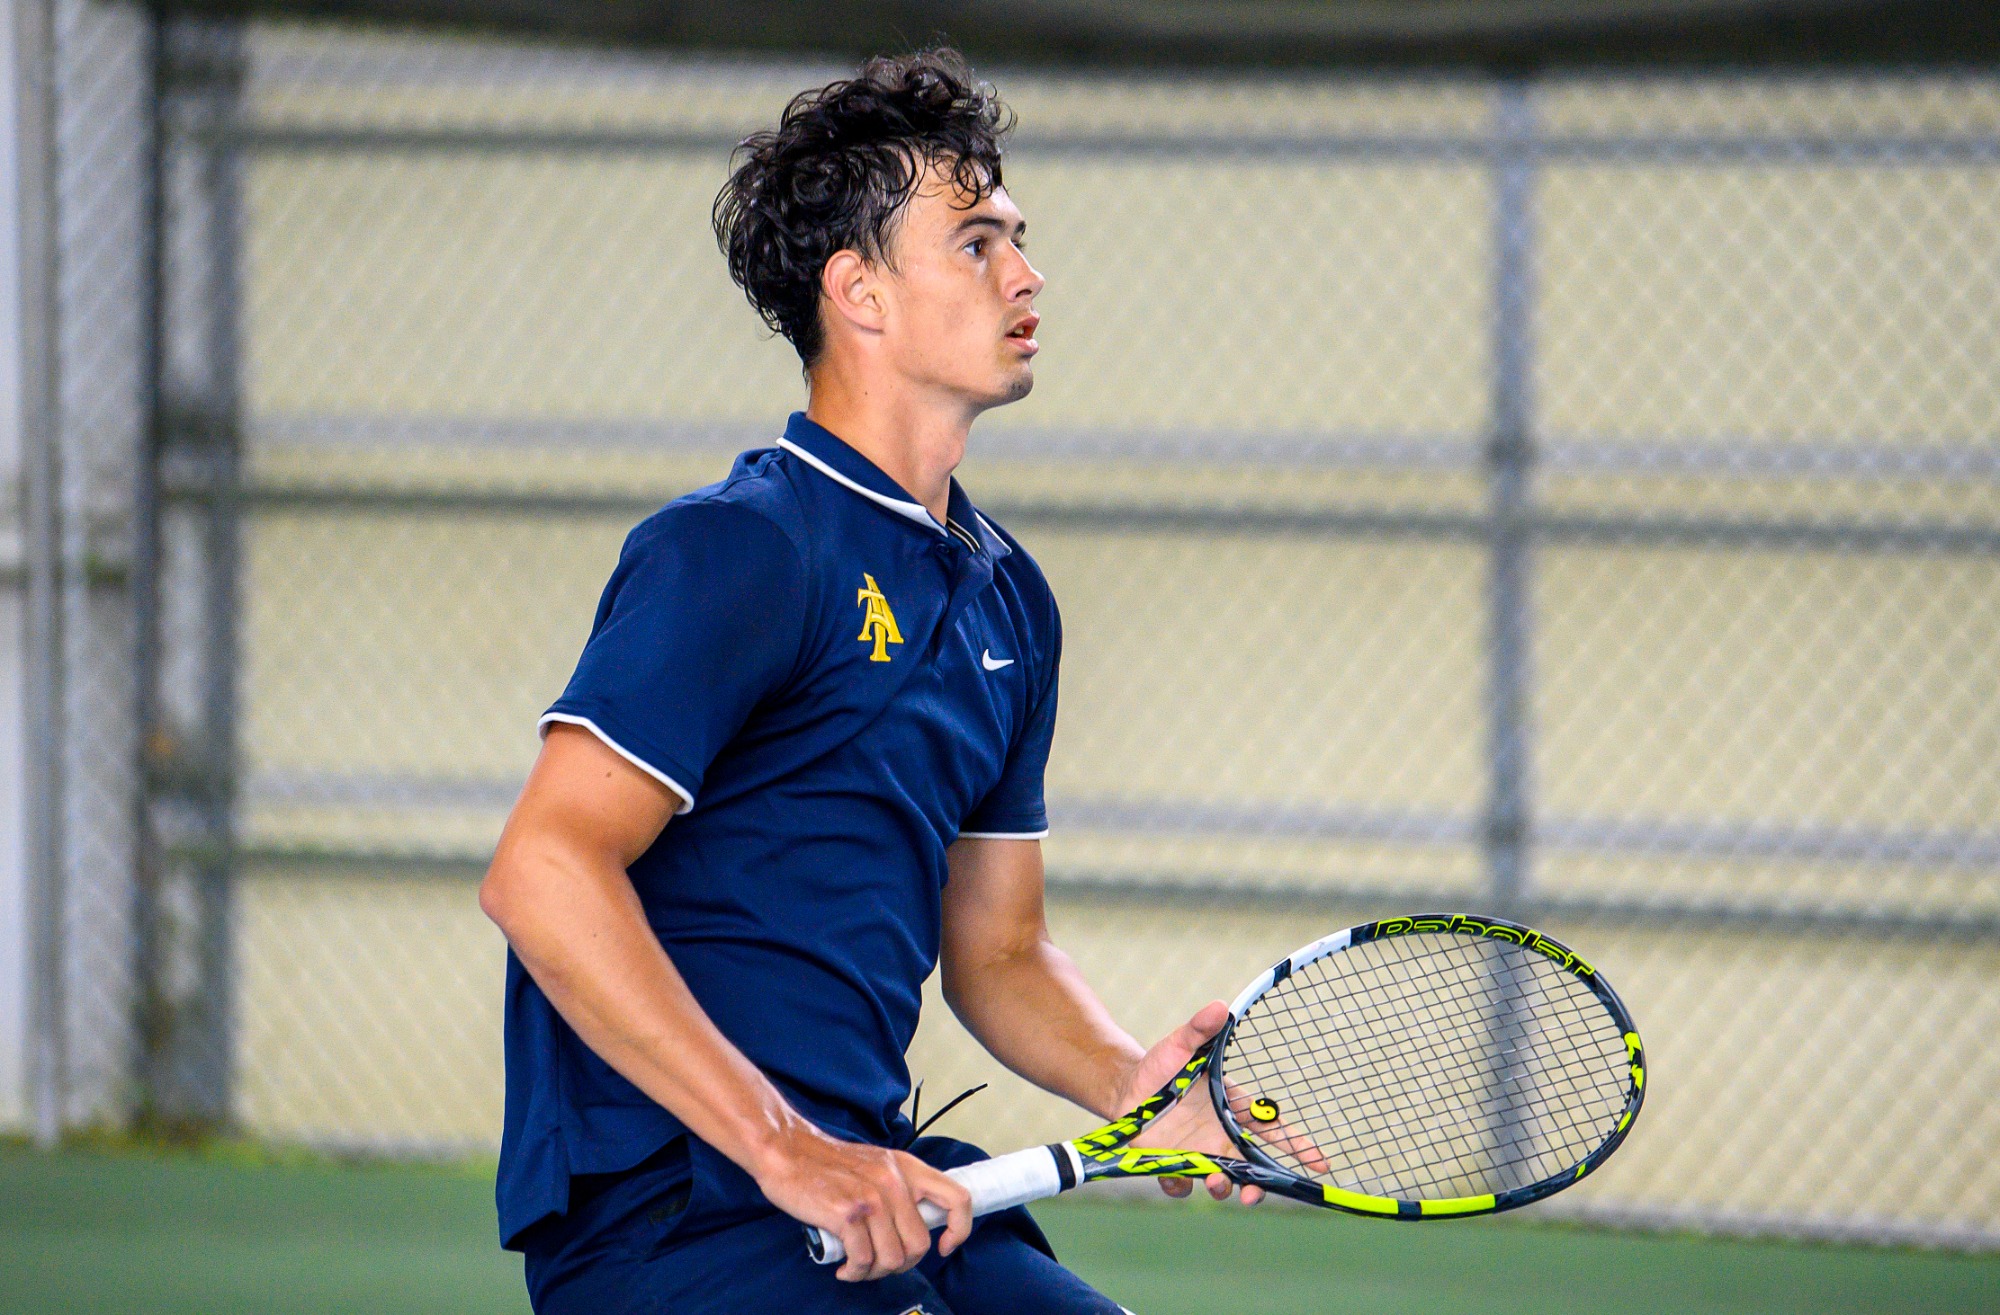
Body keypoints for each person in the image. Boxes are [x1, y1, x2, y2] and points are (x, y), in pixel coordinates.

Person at [479, 48, 1257, 1315]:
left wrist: (1136, 1089)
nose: (1025, 271)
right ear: (860, 293)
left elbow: (998, 950)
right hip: (674, 1206)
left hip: (879, 1183)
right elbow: (543, 872)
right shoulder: (742, 546)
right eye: (975, 241)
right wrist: (785, 1146)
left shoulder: (1010, 596)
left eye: (1016, 236)